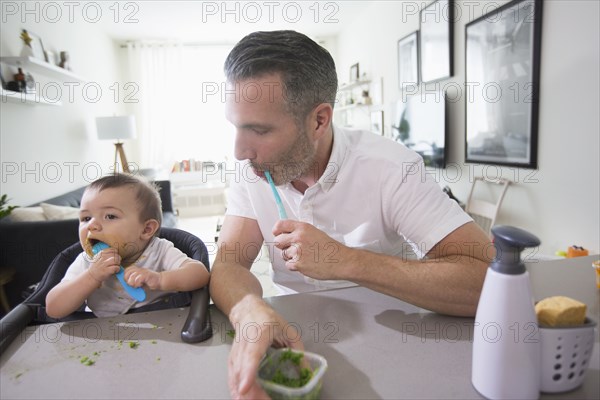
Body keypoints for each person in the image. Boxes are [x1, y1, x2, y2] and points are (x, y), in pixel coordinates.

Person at [209, 30, 492, 399]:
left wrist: (346, 261)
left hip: (400, 346)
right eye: (236, 127)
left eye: (259, 130)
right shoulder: (253, 172)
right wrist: (248, 310)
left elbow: (485, 280)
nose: (240, 151)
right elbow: (228, 266)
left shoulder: (390, 168)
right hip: (291, 341)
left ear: (319, 120)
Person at [46, 173, 210, 318]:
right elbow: (53, 308)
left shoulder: (159, 250)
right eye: (86, 218)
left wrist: (160, 279)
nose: (92, 225)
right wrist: (91, 277)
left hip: (163, 323)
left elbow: (200, 274)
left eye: (110, 216)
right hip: (107, 334)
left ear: (146, 229)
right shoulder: (86, 262)